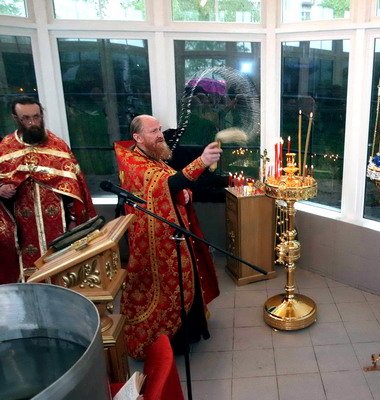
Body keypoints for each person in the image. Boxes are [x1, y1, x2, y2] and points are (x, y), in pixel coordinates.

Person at [114, 114, 221, 360]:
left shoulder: (151, 155)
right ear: (138, 137)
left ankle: (190, 333)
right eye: (153, 131)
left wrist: (183, 193)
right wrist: (202, 161)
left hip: (172, 231)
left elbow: (170, 185)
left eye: (160, 129)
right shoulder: (133, 162)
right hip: (153, 240)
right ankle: (168, 342)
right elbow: (168, 184)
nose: (160, 135)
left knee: (187, 277)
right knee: (163, 287)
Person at [0, 96, 96, 283]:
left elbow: (74, 188)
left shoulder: (58, 146)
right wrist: (1, 189)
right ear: (16, 119)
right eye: (26, 118)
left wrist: (74, 220)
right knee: (29, 278)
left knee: (62, 275)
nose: (32, 123)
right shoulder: (5, 148)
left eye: (36, 117)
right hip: (22, 230)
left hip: (60, 226)